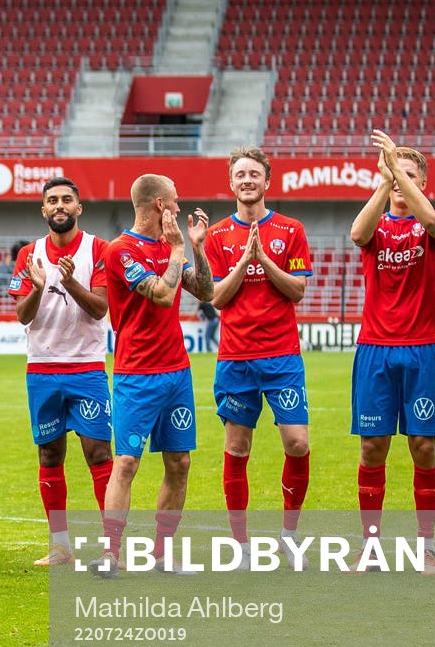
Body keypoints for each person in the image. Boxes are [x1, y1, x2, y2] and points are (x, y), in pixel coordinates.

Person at [95, 174, 213, 574]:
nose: (180, 208)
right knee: (126, 463)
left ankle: (163, 554)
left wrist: (195, 248)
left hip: (176, 372)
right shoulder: (121, 250)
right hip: (136, 373)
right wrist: (179, 247)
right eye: (175, 202)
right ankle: (111, 553)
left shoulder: (171, 247)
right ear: (160, 205)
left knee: (179, 462)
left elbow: (204, 291)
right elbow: (162, 295)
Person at [201, 147, 313, 553]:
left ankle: (289, 534)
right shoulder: (215, 236)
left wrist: (264, 260)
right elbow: (216, 297)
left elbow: (298, 289)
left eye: (254, 174)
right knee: (236, 447)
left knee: (297, 443)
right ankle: (241, 544)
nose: (247, 180)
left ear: (267, 181)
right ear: (231, 183)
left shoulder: (291, 229)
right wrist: (243, 261)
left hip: (282, 356)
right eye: (240, 175)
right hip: (235, 357)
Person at [347, 131, 435, 573]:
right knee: (373, 447)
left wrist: (397, 173)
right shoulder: (376, 225)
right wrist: (385, 176)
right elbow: (356, 234)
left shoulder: (434, 222)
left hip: (423, 348)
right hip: (375, 348)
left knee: (423, 447)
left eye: (410, 176)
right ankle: (370, 549)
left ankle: (425, 548)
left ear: (423, 183)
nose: (399, 181)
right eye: (394, 174)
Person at [9, 176, 113, 567]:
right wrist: (37, 288)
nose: (59, 206)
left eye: (67, 199)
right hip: (42, 369)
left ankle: (110, 547)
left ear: (78, 207)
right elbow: (22, 314)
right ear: (43, 209)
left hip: (86, 369)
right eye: (52, 200)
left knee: (98, 453)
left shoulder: (97, 249)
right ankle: (60, 547)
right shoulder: (28, 255)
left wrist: (69, 282)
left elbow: (100, 308)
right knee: (49, 455)